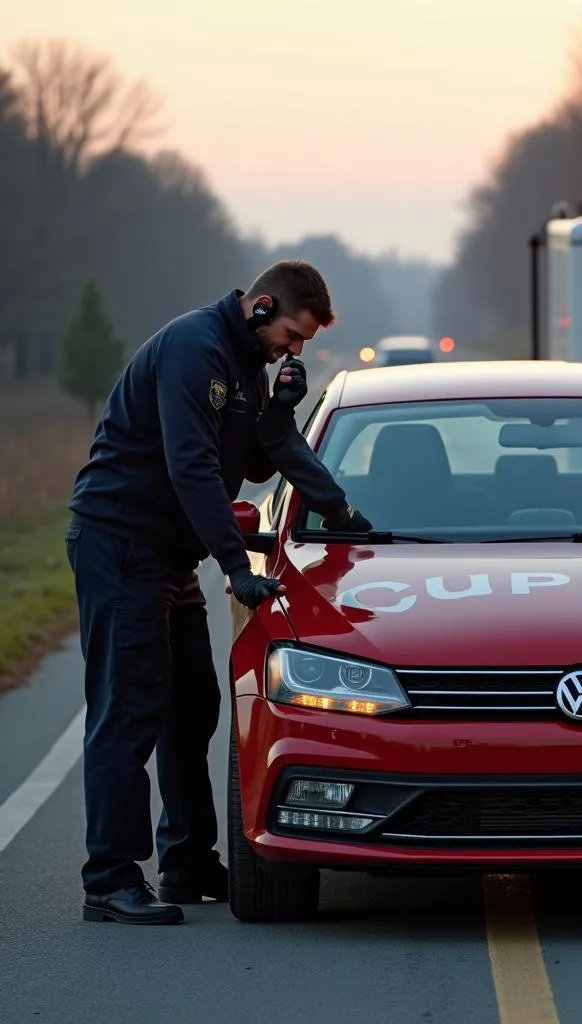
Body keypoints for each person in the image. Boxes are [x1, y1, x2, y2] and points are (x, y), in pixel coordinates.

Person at [65, 260, 371, 925]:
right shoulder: (194, 349)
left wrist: (338, 506)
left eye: (303, 344)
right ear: (262, 306)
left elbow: (258, 459)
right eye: (292, 335)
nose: (293, 350)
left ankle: (188, 863)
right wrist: (235, 565)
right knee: (129, 708)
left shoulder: (243, 365)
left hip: (168, 556)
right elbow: (192, 464)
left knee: (194, 707)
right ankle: (109, 879)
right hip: (122, 544)